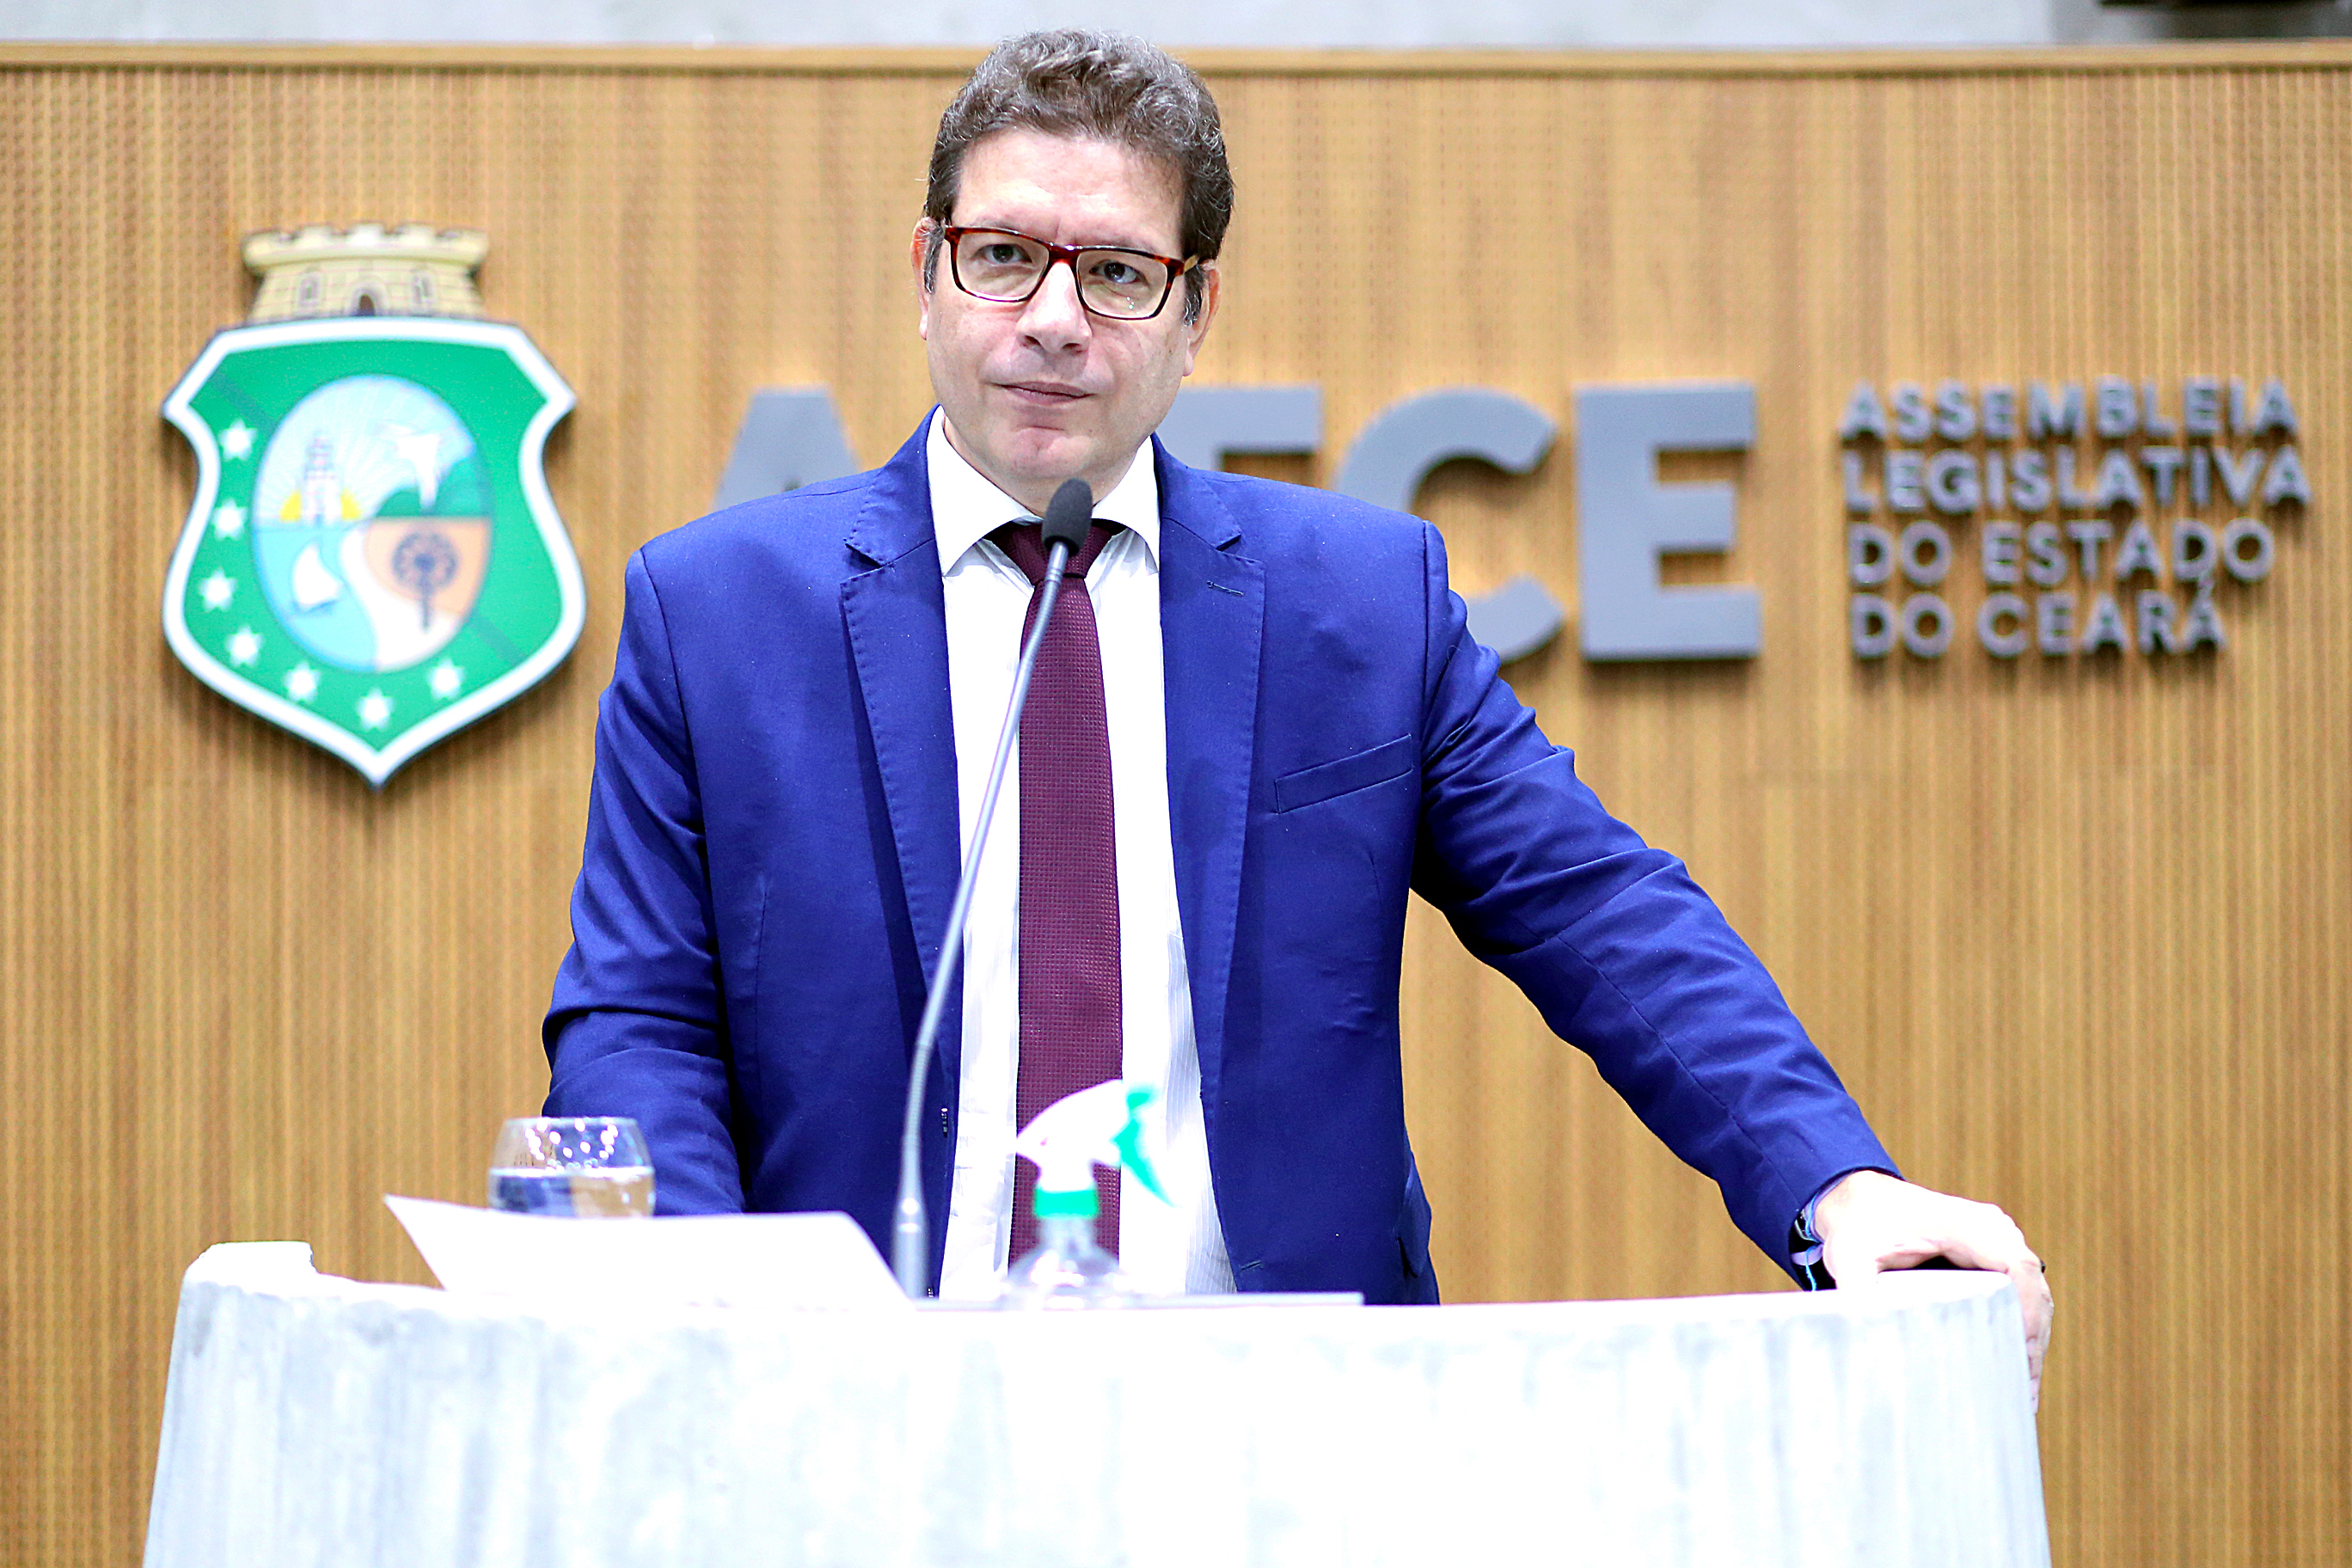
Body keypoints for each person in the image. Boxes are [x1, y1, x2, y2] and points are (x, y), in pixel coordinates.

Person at [545, 29, 2050, 1397]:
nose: (1054, 319)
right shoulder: (716, 612)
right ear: (925, 271)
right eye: (1003, 256)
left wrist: (1838, 1186)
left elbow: (1595, 909)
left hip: (1289, 1422)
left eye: (1117, 272)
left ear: (1196, 309)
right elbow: (638, 1020)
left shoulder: (1361, 602)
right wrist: (716, 1335)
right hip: (857, 1416)